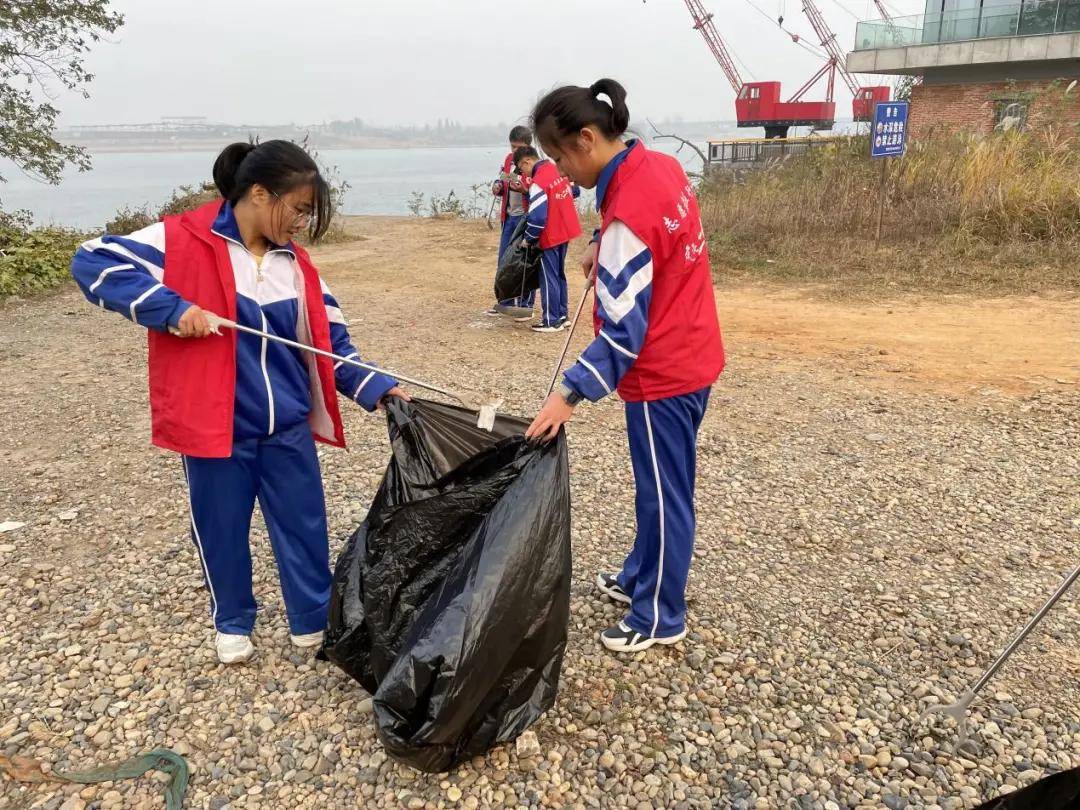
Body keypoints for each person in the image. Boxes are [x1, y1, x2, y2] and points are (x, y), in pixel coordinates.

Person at [70, 140, 409, 665]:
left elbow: (331, 343)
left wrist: (379, 388)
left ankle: (311, 619)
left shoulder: (295, 266)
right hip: (215, 428)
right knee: (220, 526)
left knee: (303, 523)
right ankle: (231, 619)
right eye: (297, 209)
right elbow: (93, 261)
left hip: (287, 428)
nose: (301, 223)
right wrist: (172, 309)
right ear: (258, 193)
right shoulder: (180, 240)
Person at [524, 79, 725, 654]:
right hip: (695, 348)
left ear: (586, 139)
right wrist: (598, 239)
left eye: (561, 157)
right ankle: (642, 573)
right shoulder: (654, 164)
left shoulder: (625, 218)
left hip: (665, 372)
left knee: (664, 492)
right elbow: (654, 234)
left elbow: (622, 335)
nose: (562, 172)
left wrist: (567, 396)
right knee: (658, 484)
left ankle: (661, 611)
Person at [514, 145, 583, 333]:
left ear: (527, 161)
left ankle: (551, 320)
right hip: (566, 230)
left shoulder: (538, 181)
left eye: (521, 168)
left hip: (550, 234)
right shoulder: (556, 170)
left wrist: (528, 239)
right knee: (559, 274)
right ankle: (562, 315)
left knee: (548, 276)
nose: (523, 173)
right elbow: (575, 191)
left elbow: (537, 217)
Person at [488, 125, 535, 318]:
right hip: (508, 217)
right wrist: (498, 186)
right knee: (505, 260)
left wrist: (523, 187)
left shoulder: (534, 163)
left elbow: (537, 188)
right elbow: (501, 179)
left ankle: (525, 305)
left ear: (528, 146)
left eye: (518, 147)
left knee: (524, 263)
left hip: (525, 217)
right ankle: (504, 302)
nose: (514, 151)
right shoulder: (508, 160)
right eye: (512, 147)